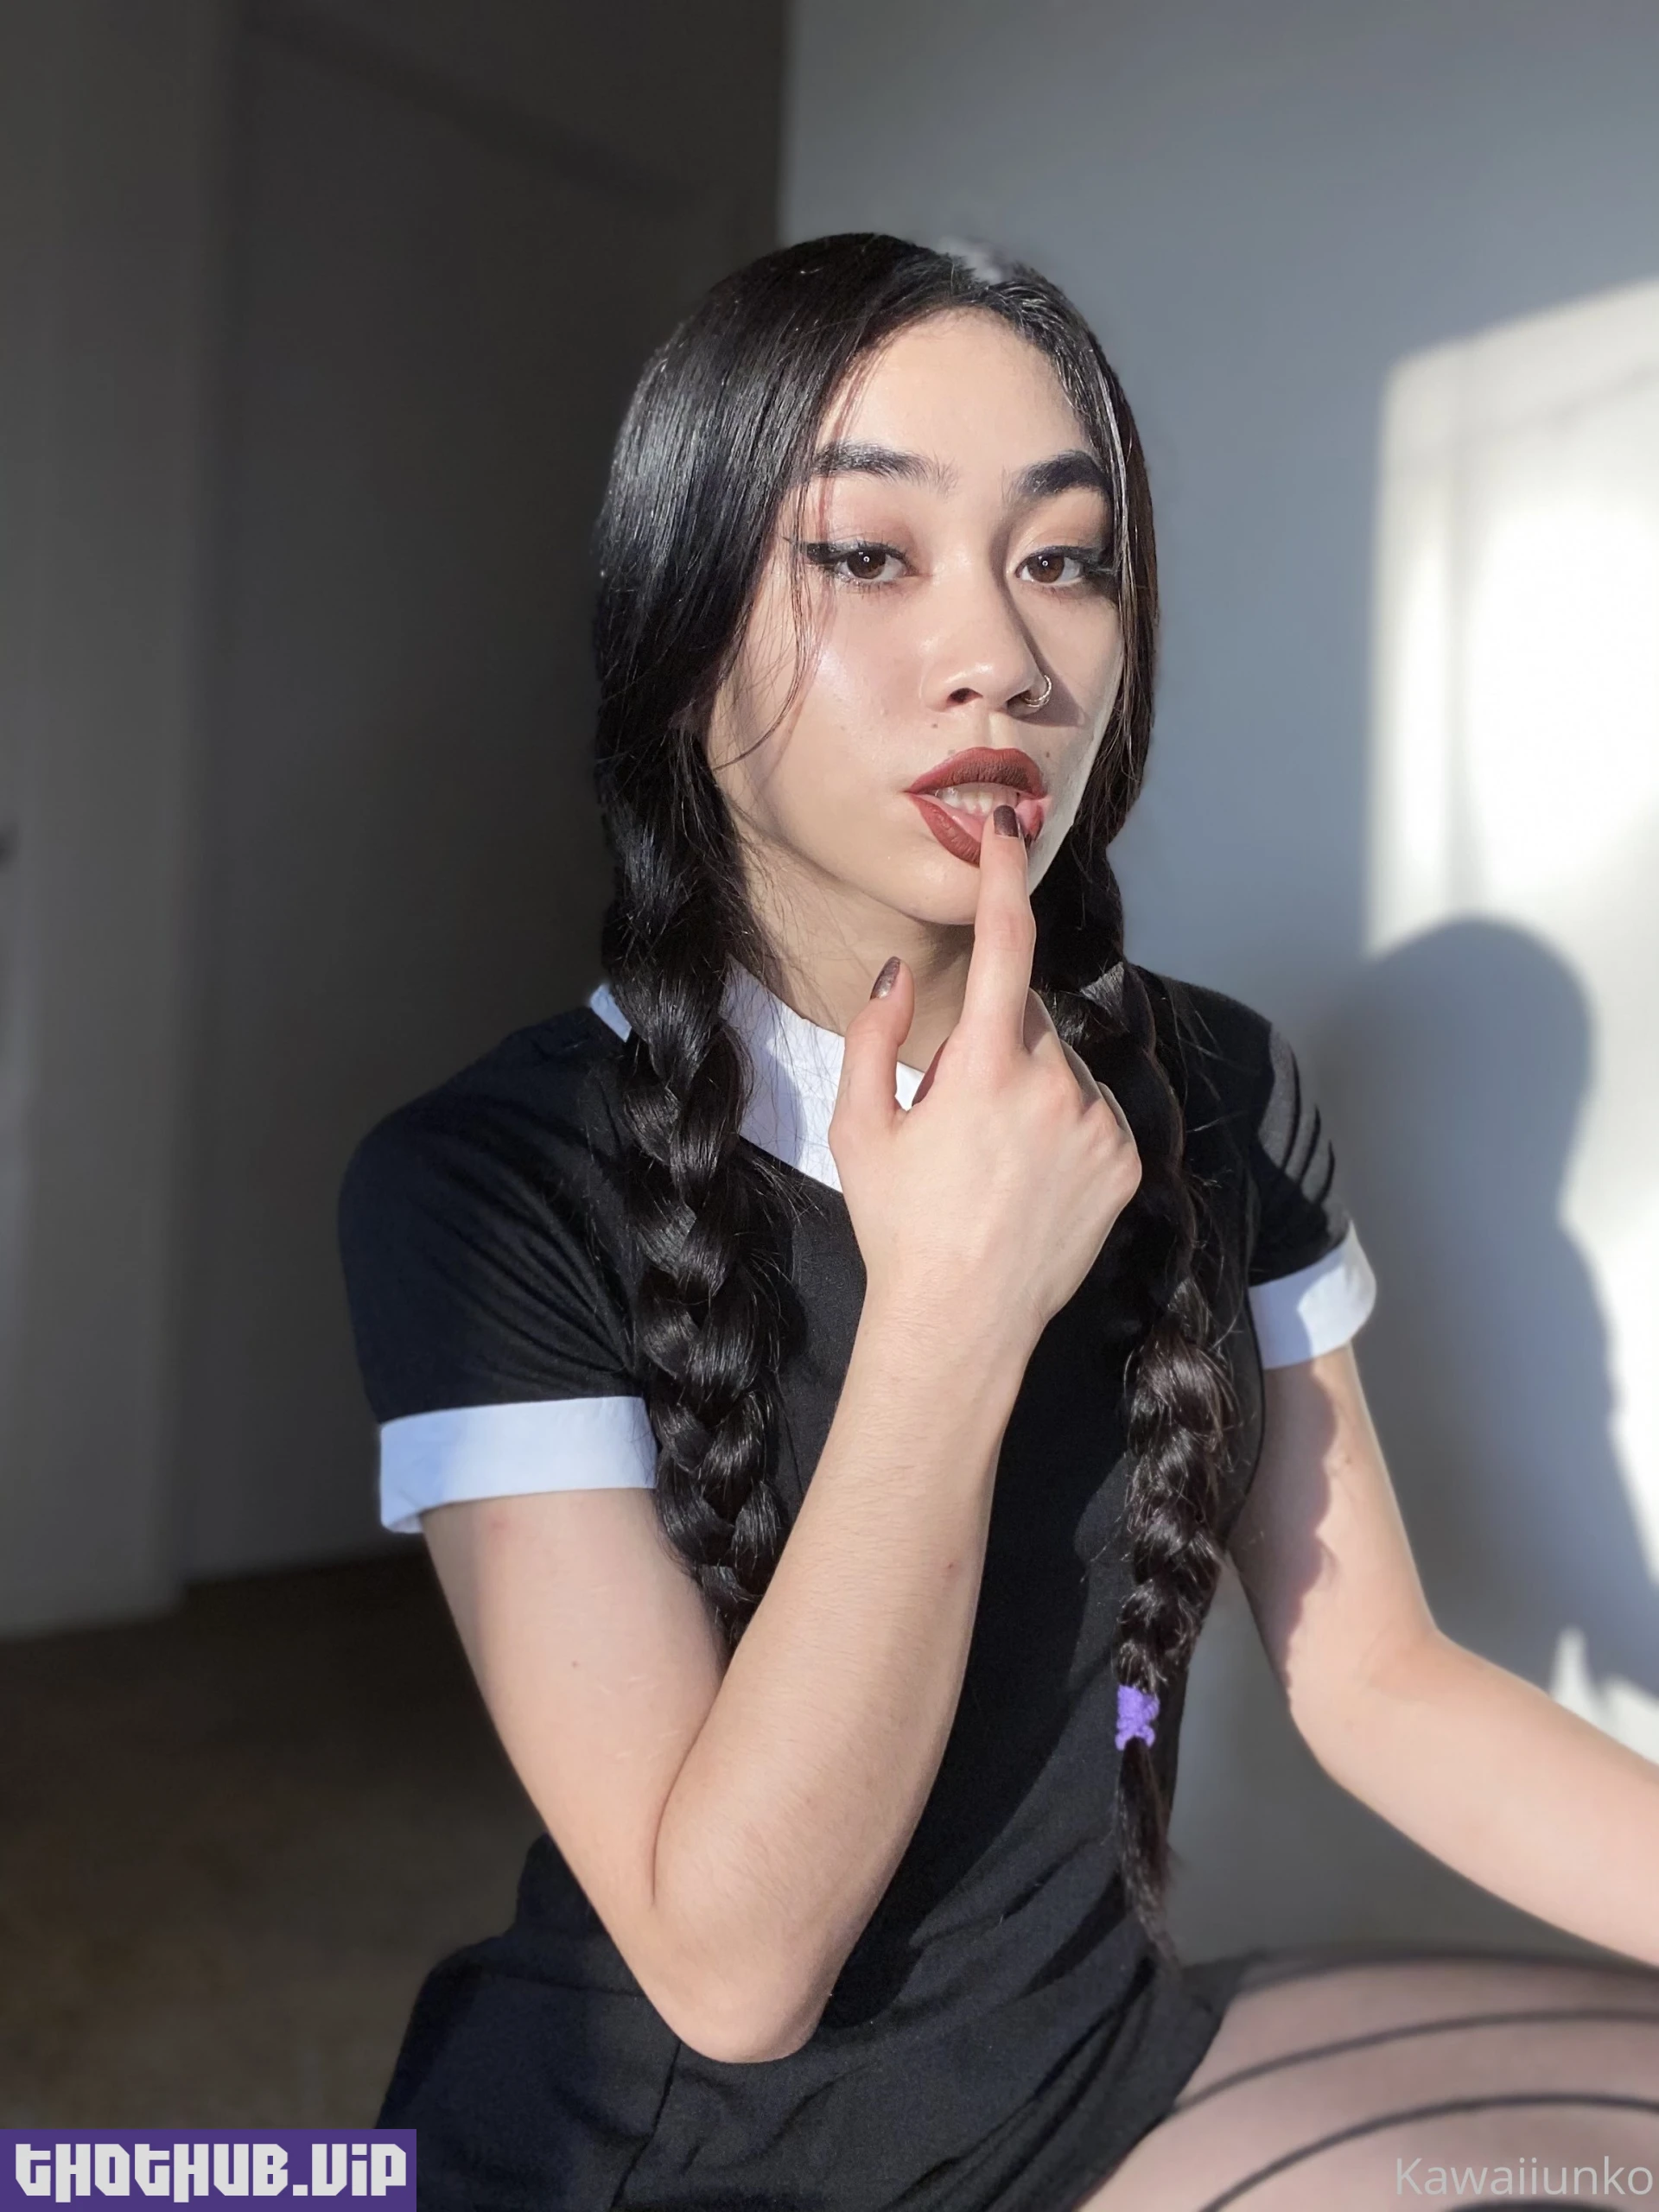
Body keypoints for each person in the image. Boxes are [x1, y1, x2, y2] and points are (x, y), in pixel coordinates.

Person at [336, 233, 1659, 2210]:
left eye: (1063, 558)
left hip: (1093, 2065)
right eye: (869, 555)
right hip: (687, 2159)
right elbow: (730, 1969)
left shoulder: (1215, 1085)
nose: (1005, 655)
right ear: (681, 632)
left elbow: (1376, 1675)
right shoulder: (489, 1180)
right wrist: (954, 1302)